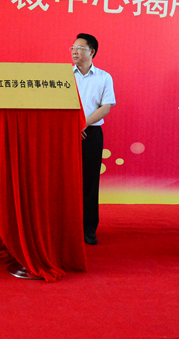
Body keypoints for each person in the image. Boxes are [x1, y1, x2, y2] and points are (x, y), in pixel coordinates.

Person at [71, 33, 116, 245]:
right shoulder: (64, 76)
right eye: (73, 48)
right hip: (67, 133)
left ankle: (88, 228)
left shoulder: (104, 77)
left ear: (92, 52)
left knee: (89, 182)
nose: (74, 51)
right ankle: (66, 226)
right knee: (66, 181)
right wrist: (71, 126)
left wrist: (83, 124)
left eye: (79, 48)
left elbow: (105, 107)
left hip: (91, 133)